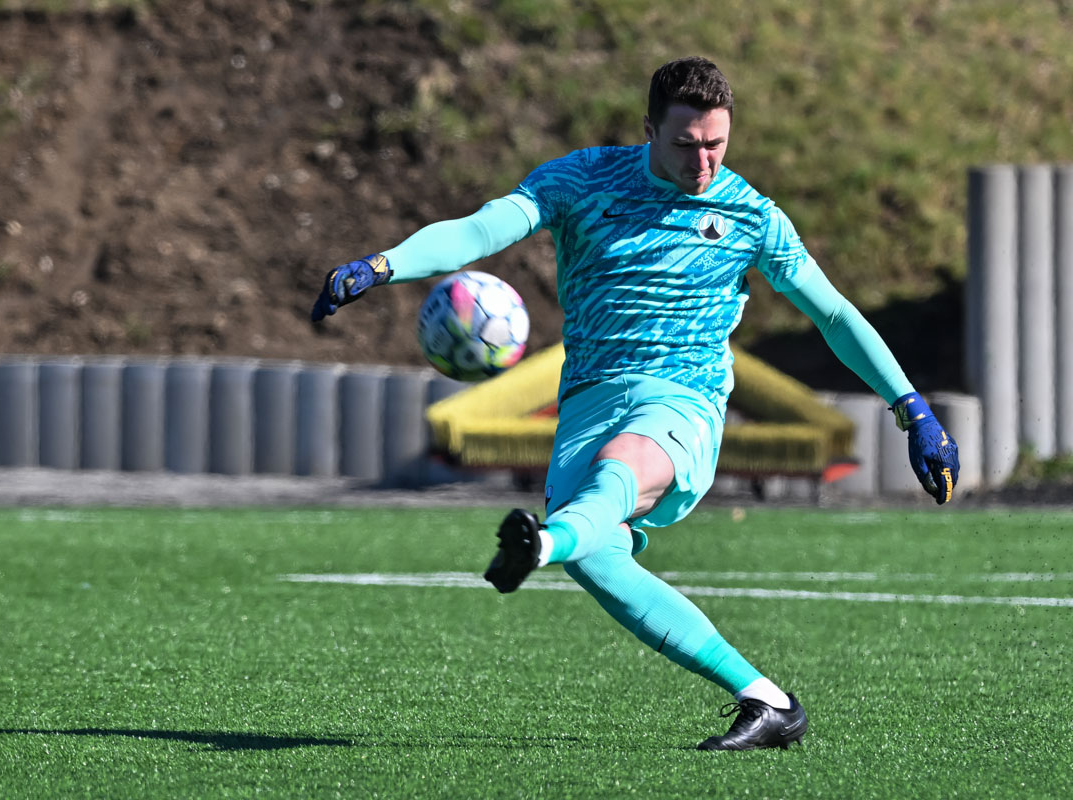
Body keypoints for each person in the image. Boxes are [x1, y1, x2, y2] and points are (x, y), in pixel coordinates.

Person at [310, 56, 959, 750]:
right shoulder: (583, 179)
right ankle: (766, 699)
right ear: (648, 129)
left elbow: (832, 314)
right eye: (685, 144)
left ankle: (542, 544)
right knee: (598, 555)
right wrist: (384, 264)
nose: (703, 162)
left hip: (683, 400)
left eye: (716, 144)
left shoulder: (752, 216)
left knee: (613, 478)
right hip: (589, 398)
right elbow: (481, 230)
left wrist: (911, 408)